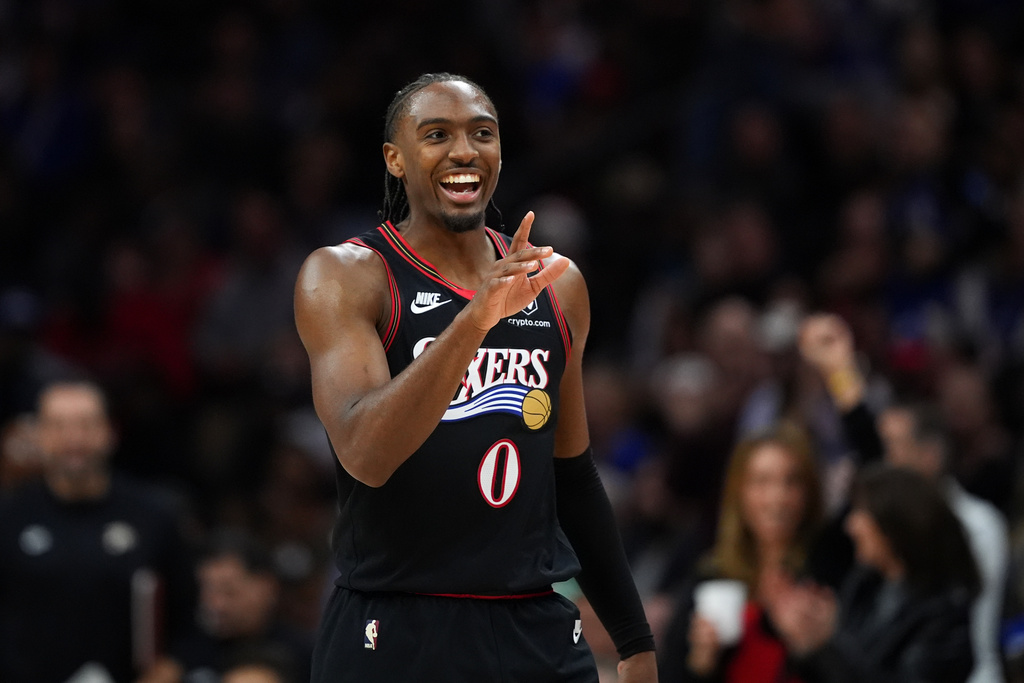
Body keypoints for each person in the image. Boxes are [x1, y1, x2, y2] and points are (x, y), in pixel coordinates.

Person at [293, 72, 657, 682]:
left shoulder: (557, 284)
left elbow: (571, 476)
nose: (463, 150)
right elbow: (365, 454)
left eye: (481, 133)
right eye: (436, 134)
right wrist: (475, 320)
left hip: (536, 626)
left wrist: (635, 643)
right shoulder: (347, 276)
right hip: (397, 627)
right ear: (395, 160)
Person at [798, 313, 1009, 683]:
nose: (883, 461)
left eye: (893, 447)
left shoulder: (974, 523)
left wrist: (829, 650)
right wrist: (840, 374)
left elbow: (965, 637)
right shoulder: (875, 570)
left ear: (930, 456)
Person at [0, 380, 195, 683]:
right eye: (58, 426)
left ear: (110, 432)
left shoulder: (154, 516)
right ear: (39, 435)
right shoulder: (9, 517)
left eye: (86, 425)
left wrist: (170, 667)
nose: (74, 439)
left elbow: (190, 618)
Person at [769, 463, 979, 683]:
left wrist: (828, 644)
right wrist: (808, 636)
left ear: (894, 525)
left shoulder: (945, 616)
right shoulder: (865, 584)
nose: (851, 526)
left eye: (861, 512)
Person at [657, 421, 825, 682]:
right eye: (762, 482)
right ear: (740, 493)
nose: (777, 497)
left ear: (809, 493)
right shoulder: (711, 576)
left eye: (791, 482)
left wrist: (816, 648)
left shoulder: (828, 573)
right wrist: (701, 664)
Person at [142, 527, 314, 683]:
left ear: (266, 587)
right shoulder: (187, 652)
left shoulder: (305, 656)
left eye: (229, 591)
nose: (217, 605)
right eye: (208, 591)